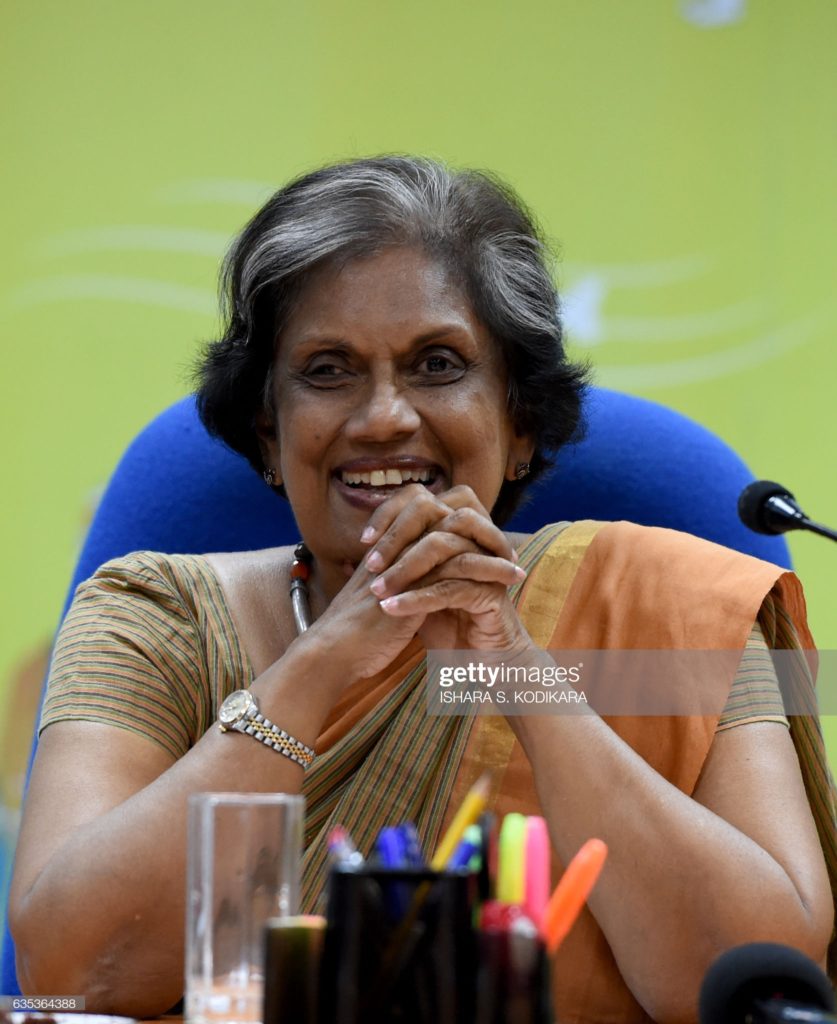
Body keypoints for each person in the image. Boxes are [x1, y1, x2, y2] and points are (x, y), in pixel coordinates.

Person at [8, 156, 835, 1023]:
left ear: (519, 423)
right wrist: (326, 657)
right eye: (327, 370)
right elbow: (72, 970)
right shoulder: (149, 618)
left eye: (437, 364)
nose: (382, 418)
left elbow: (758, 980)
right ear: (266, 429)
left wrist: (515, 669)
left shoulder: (682, 610)